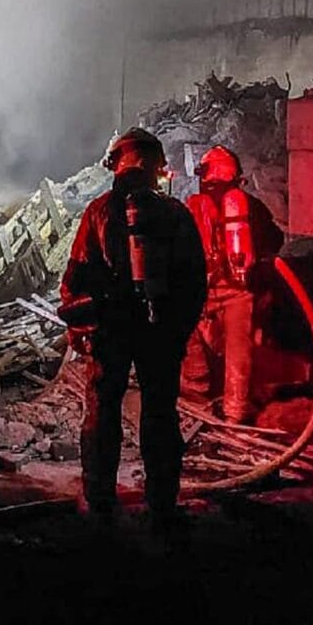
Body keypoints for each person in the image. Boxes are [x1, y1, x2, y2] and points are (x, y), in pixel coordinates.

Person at [60, 128, 207, 531]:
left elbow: (76, 274)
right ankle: (162, 504)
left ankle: (99, 501)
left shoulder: (98, 211)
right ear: (156, 165)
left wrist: (80, 324)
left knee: (102, 409)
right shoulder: (174, 213)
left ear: (116, 164)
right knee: (160, 411)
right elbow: (195, 279)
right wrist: (178, 331)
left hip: (110, 327)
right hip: (159, 329)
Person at [181, 145, 284, 425]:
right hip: (240, 291)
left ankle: (196, 404)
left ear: (203, 175)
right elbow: (274, 241)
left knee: (186, 339)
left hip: (200, 291)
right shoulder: (250, 207)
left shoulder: (191, 208)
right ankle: (235, 416)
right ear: (236, 176)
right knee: (239, 352)